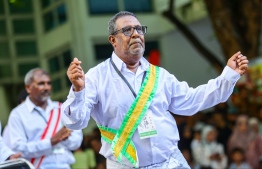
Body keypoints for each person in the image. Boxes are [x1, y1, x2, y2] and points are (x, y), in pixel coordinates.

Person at [62, 11, 248, 168]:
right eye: (127, 30)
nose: (136, 34)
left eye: (139, 29)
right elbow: (76, 122)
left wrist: (229, 75)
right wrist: (78, 91)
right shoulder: (96, 77)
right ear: (113, 40)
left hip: (171, 162)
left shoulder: (159, 75)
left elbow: (192, 101)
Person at [5, 68, 83, 169]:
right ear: (28, 88)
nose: (46, 87)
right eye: (41, 83)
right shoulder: (17, 114)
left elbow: (76, 143)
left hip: (64, 165)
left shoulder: (62, 108)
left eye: (49, 83)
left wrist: (65, 138)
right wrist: (50, 142)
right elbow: (19, 149)